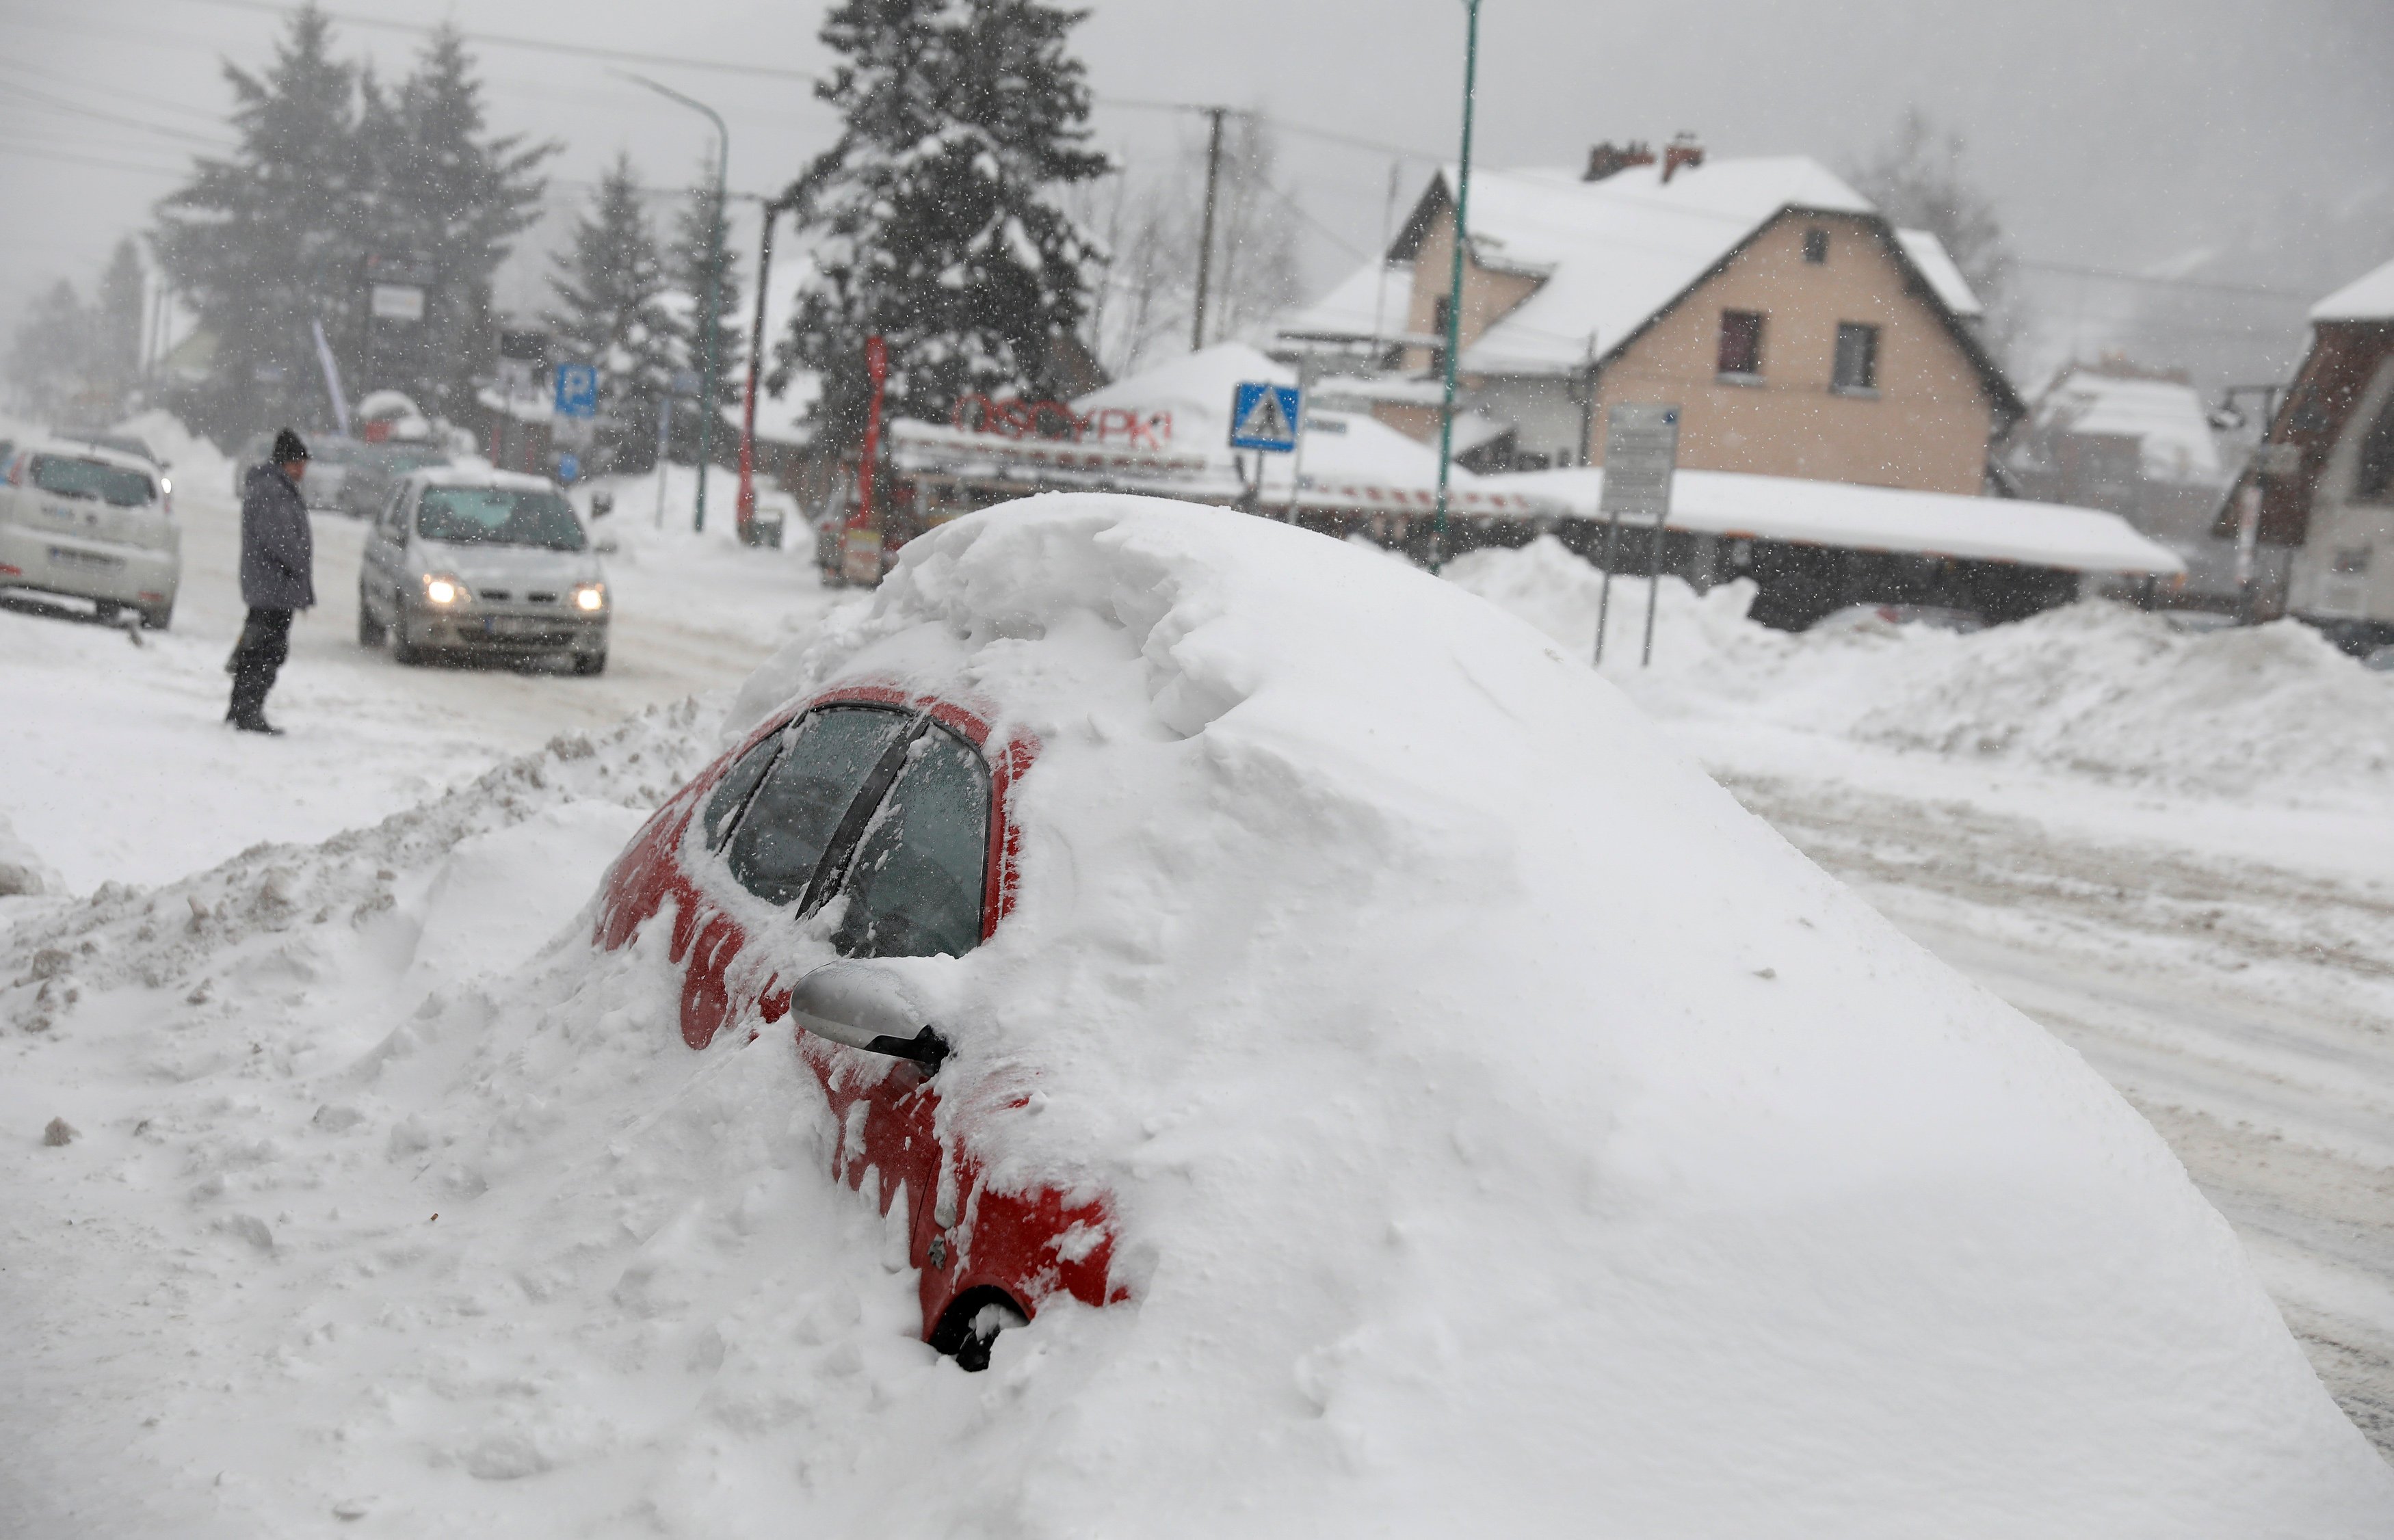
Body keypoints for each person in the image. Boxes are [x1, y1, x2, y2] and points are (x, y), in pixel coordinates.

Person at [227, 427, 315, 734]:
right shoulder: (273, 491)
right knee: (266, 651)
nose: (304, 469)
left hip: (271, 586)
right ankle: (247, 711)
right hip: (273, 587)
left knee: (259, 648)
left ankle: (242, 709)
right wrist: (298, 564)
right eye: (301, 462)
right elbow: (280, 540)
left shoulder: (273, 487)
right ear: (288, 462)